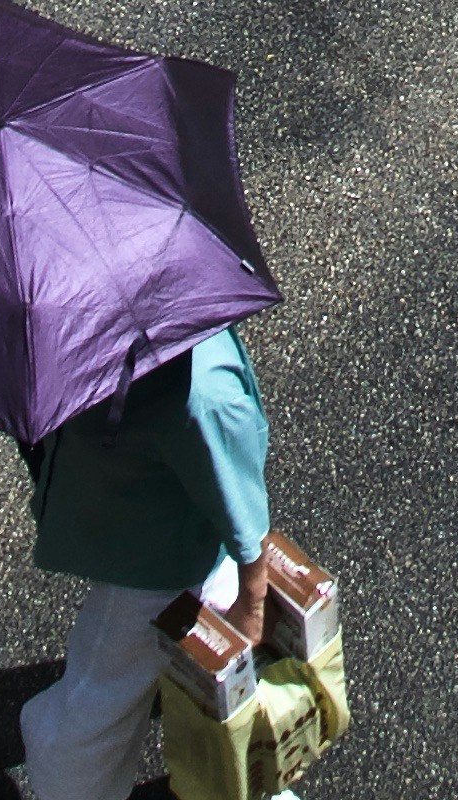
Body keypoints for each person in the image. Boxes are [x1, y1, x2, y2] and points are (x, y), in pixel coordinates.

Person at [17, 324, 272, 800]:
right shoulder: (187, 344)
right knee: (219, 677)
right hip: (184, 546)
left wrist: (253, 601)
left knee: (95, 702)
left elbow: (241, 508)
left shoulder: (199, 395)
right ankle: (246, 777)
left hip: (155, 574)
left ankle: (71, 787)